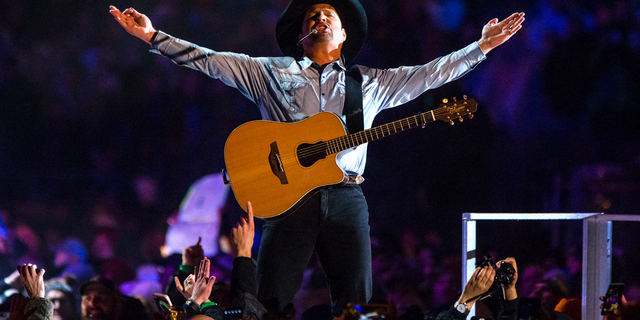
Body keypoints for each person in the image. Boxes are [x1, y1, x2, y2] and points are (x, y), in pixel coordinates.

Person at [109, 0, 525, 316]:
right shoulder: (270, 72)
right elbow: (210, 61)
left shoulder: (370, 83)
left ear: (344, 35)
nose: (320, 18)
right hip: (288, 199)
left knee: (356, 301)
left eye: (328, 15)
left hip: (346, 197)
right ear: (300, 35)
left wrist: (482, 46)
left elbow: (429, 73)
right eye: (312, 17)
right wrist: (152, 36)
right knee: (268, 301)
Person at [79, 275, 151, 320]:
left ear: (117, 302)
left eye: (100, 298)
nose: (92, 304)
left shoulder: (133, 311)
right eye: (87, 298)